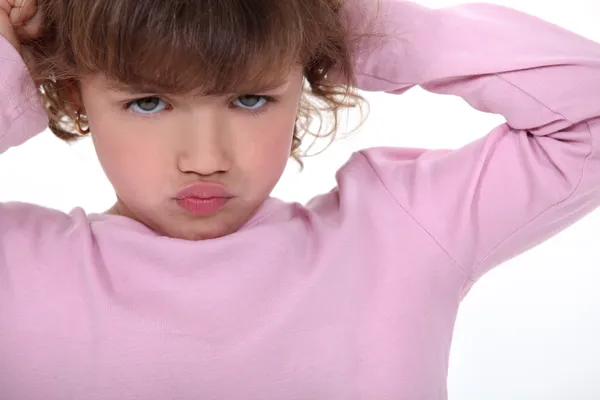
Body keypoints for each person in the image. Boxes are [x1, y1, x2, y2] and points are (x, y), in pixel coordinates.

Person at [1, 0, 599, 398]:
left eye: (250, 99)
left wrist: (346, 27)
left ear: (300, 79)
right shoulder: (17, 272)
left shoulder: (396, 236)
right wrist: (16, 60)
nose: (206, 157)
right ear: (76, 95)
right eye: (149, 103)